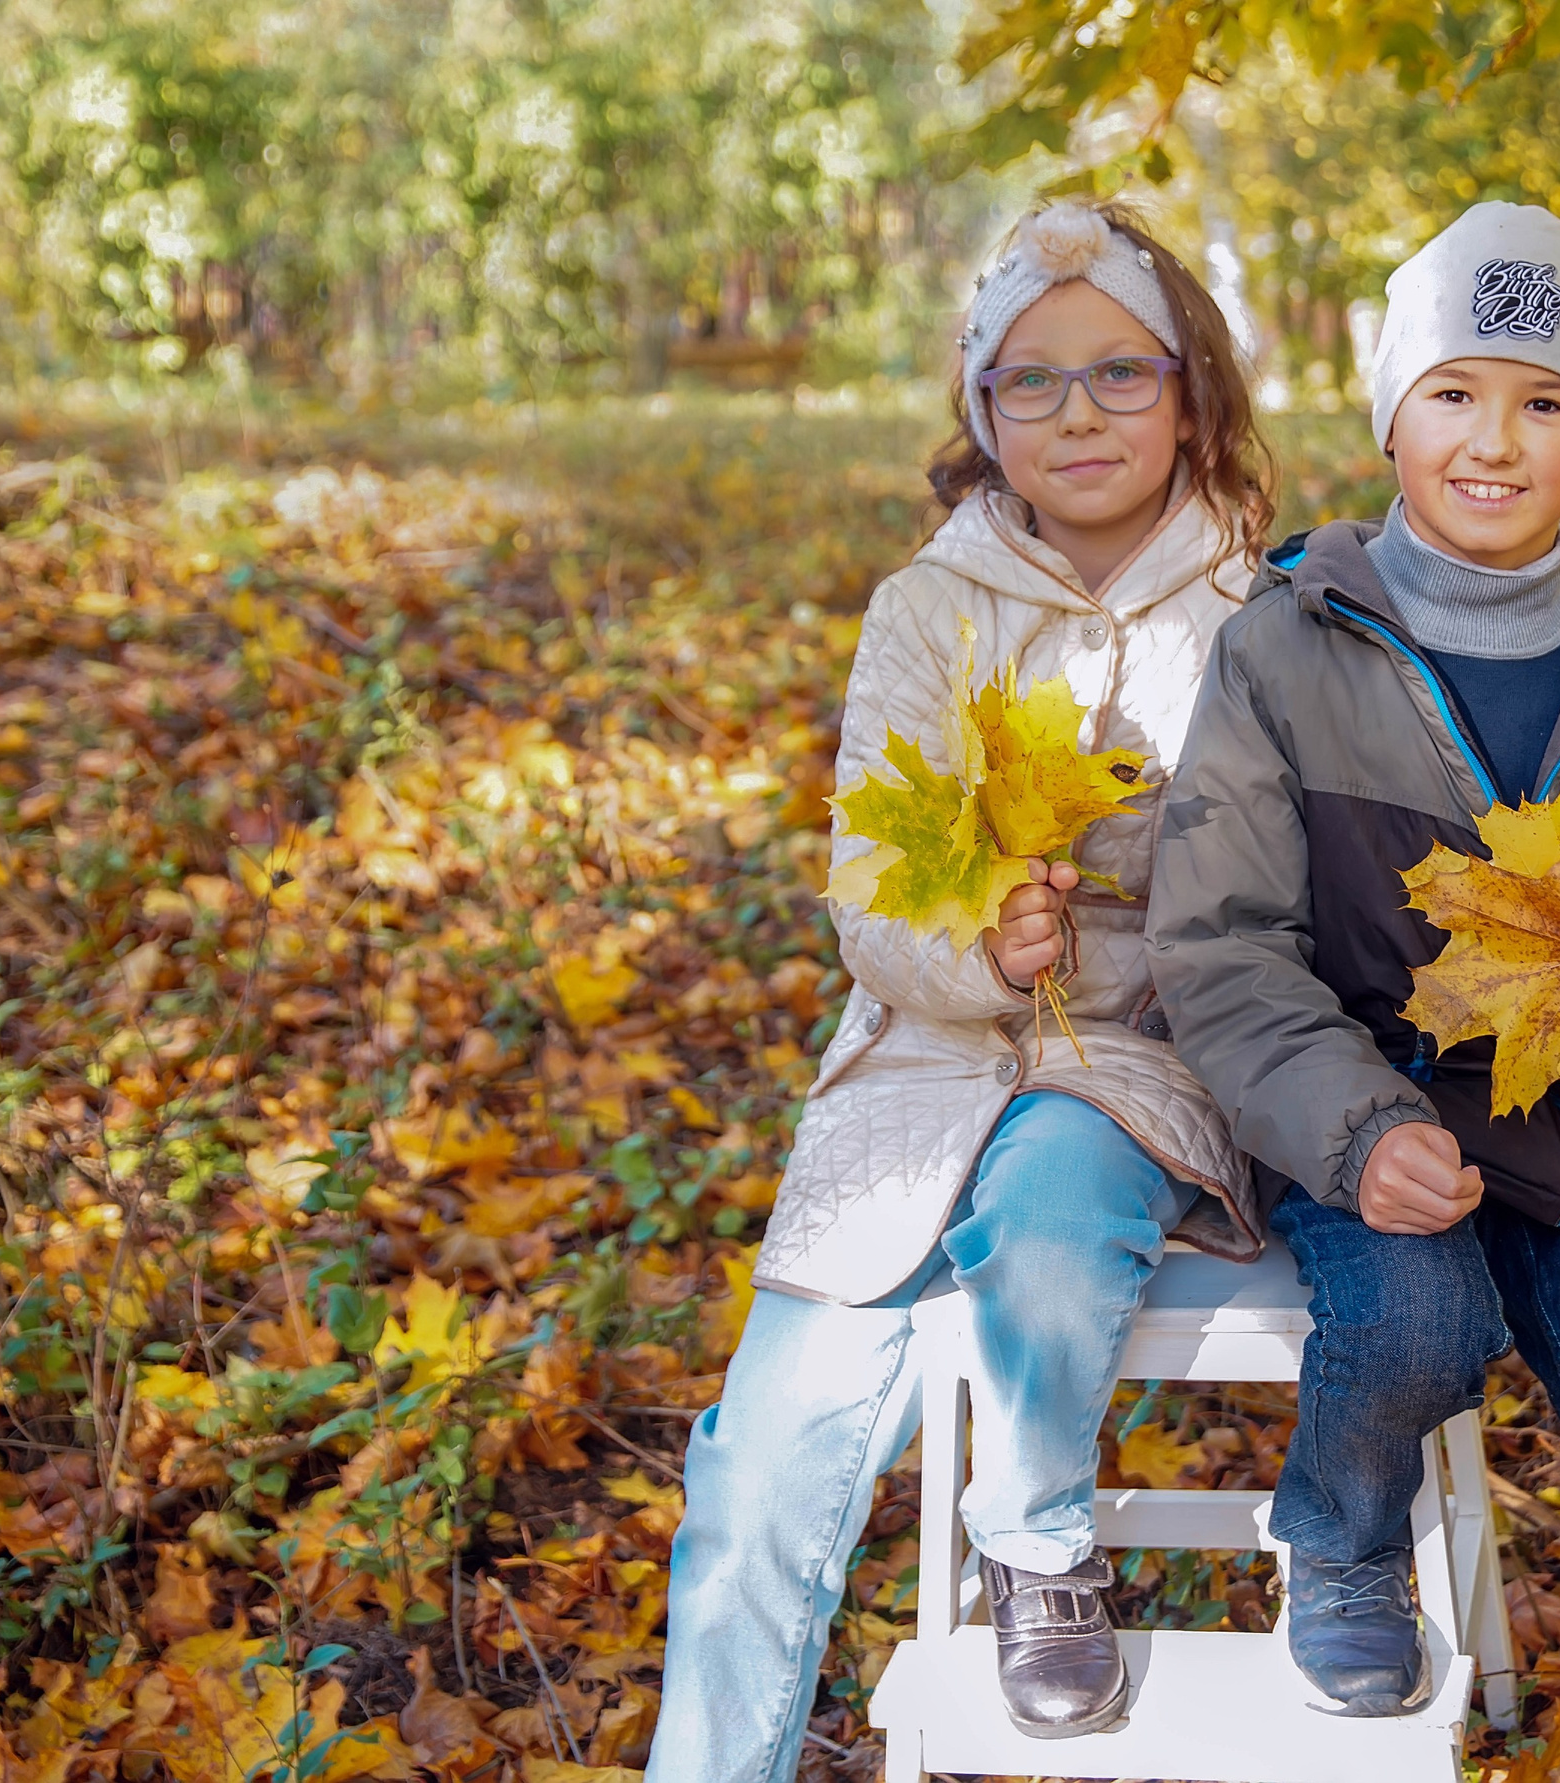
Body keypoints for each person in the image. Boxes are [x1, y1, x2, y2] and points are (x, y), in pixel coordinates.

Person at [648, 201, 1275, 1779]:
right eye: (1029, 382)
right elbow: (875, 884)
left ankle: (1038, 1537)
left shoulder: (1263, 621)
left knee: (1052, 1221)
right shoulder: (927, 609)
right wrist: (976, 949)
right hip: (918, 1074)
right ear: (980, 411)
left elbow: (1278, 905)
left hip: (1133, 1063)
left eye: (1120, 375)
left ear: (1192, 387)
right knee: (752, 1478)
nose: (1077, 415)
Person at [1146, 201, 1560, 1782]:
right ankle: (1342, 1533)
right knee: (1422, 1316)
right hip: (1365, 1106)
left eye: (1547, 402)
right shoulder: (1284, 650)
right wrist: (1356, 1131)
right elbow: (1218, 945)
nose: (1495, 440)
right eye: (1455, 393)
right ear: (1391, 415)